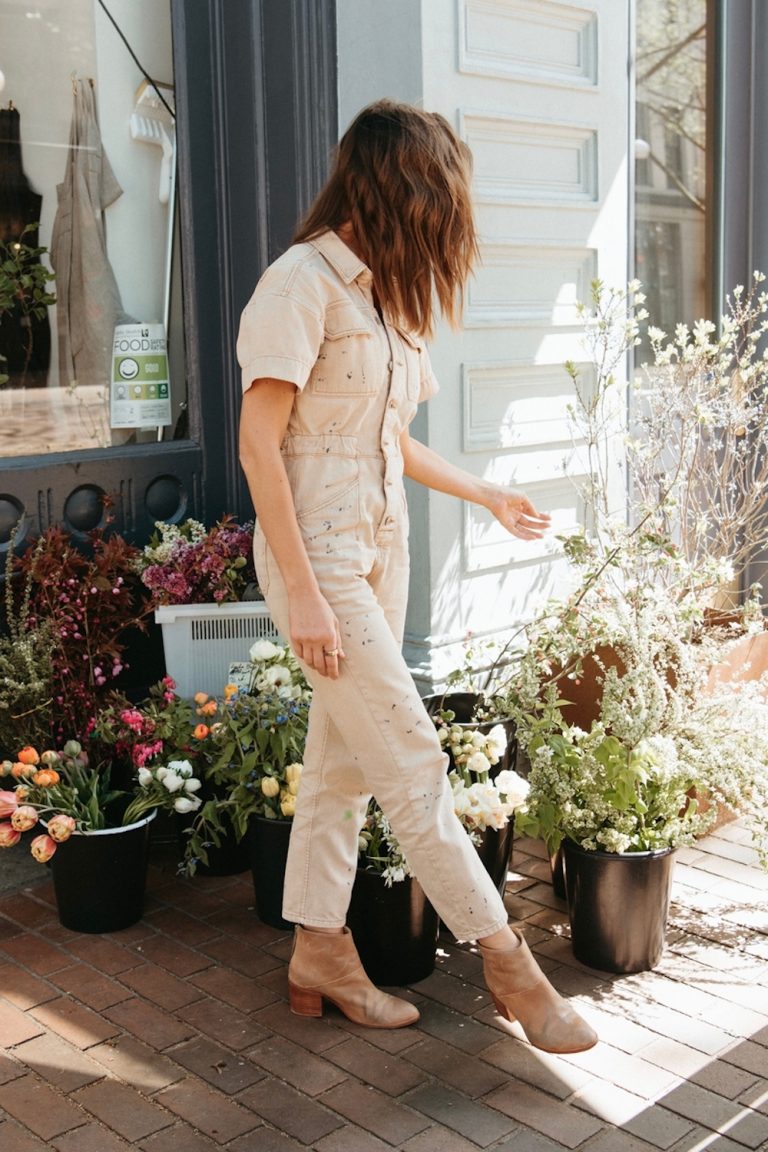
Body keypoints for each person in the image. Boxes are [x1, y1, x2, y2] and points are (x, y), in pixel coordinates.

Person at [237, 99, 597, 1055]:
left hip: (379, 553)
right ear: (395, 185)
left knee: (343, 764)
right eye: (440, 192)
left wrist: (485, 491)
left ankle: (319, 949)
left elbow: (386, 436)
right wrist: (306, 592)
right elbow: (257, 445)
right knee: (413, 761)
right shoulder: (298, 283)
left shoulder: (385, 297)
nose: (449, 216)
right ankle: (509, 964)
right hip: (320, 565)